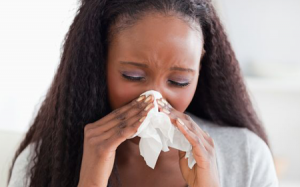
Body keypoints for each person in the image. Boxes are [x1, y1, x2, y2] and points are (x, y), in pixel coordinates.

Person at [7, 0, 279, 186]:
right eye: (133, 76)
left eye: (179, 81)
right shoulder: (40, 160)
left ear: (201, 67)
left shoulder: (246, 156)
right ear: (99, 64)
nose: (154, 101)